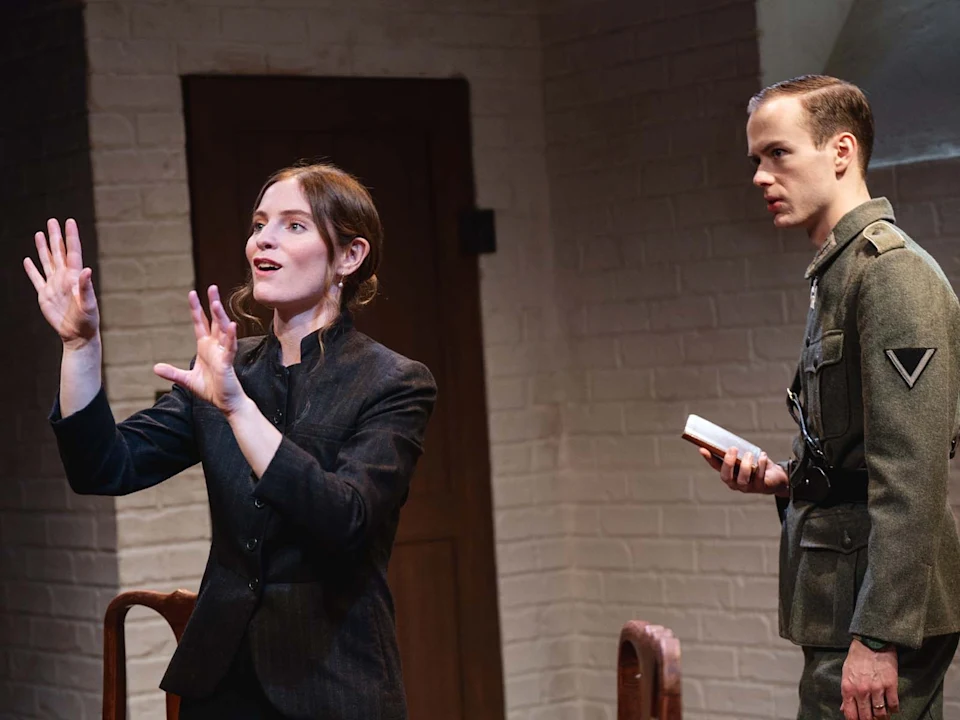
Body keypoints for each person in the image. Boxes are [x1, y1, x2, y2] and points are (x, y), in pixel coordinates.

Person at [24, 163, 437, 719]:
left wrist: (238, 408)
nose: (262, 238)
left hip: (333, 682)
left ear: (349, 256)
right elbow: (104, 467)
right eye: (260, 222)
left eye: (294, 225)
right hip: (220, 683)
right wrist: (80, 348)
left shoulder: (392, 381)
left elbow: (346, 519)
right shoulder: (225, 365)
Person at [697, 75, 960, 720]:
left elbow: (912, 474)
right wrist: (786, 481)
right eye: (755, 159)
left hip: (873, 611)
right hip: (844, 594)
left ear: (841, 152)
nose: (760, 175)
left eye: (778, 154)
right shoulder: (839, 273)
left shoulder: (891, 275)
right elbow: (857, 459)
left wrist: (878, 637)